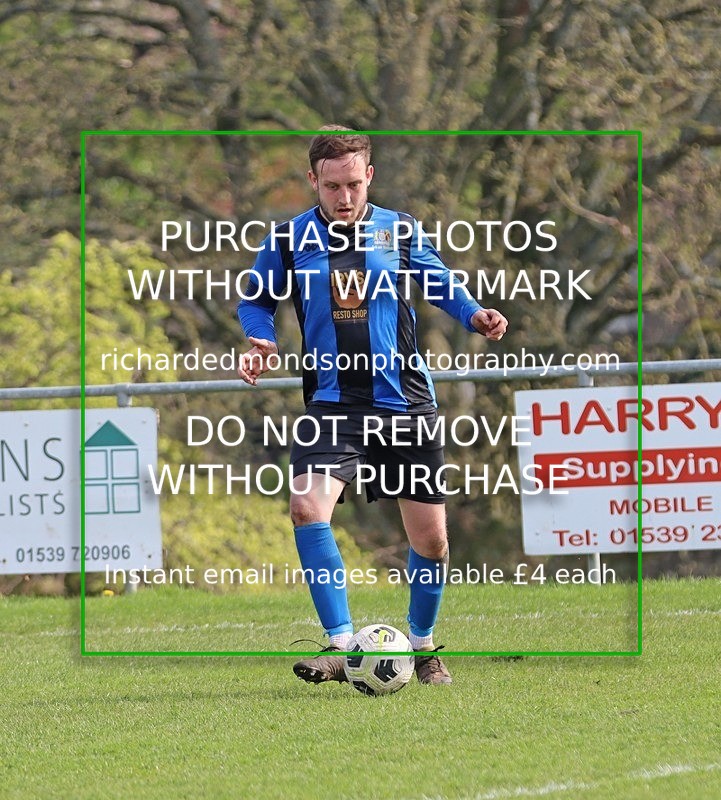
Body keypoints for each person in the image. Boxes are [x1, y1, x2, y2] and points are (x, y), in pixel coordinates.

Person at [237, 125, 507, 686]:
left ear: (370, 178)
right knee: (307, 509)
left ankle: (425, 647)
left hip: (404, 403)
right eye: (332, 186)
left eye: (354, 185)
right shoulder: (288, 241)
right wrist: (259, 338)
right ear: (313, 180)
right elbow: (256, 301)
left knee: (431, 540)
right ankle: (340, 646)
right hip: (333, 405)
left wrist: (474, 314)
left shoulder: (399, 230)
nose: (343, 197)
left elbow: (439, 284)